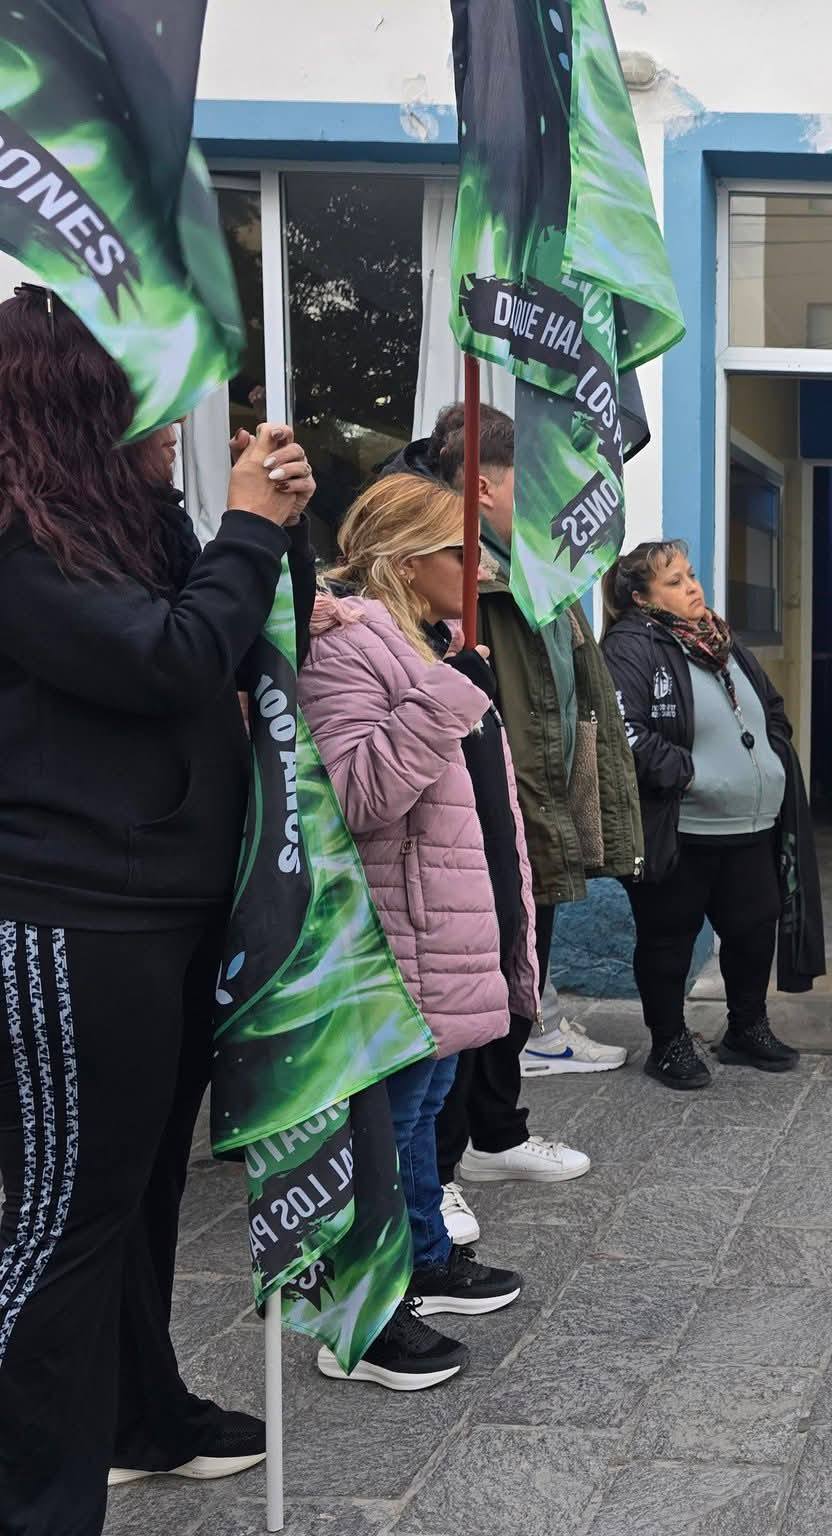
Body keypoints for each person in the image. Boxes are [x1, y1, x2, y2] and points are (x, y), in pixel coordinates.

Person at [0, 288, 312, 1529]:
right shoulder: (18, 541)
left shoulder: (119, 520)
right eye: (147, 398)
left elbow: (229, 633)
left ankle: (141, 1414)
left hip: (168, 906)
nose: (174, 422)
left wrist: (273, 531)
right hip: (70, 915)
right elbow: (168, 660)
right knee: (64, 1221)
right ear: (77, 404)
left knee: (137, 1201)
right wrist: (243, 530)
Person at [299, 474, 531, 1390]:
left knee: (428, 1108)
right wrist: (443, 697)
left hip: (449, 923)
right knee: (387, 1123)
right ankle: (362, 1318)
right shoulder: (345, 647)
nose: (479, 568)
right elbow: (356, 796)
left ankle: (425, 1259)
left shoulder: (430, 643)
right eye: (460, 551)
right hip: (398, 926)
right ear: (404, 561)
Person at [392, 405, 639, 1236]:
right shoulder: (445, 575)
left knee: (514, 990)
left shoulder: (539, 566)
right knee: (465, 999)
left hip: (541, 808)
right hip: (479, 817)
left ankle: (496, 1135)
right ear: (488, 490)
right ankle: (436, 1169)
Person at [599, 542, 823, 1089]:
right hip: (682, 827)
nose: (692, 587)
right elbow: (623, 732)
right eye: (674, 582)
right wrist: (692, 775)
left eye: (691, 575)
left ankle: (746, 1028)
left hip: (750, 825)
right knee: (668, 939)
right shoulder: (631, 645)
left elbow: (771, 707)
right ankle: (668, 1043)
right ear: (641, 598)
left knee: (754, 929)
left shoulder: (719, 638)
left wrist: (771, 757)